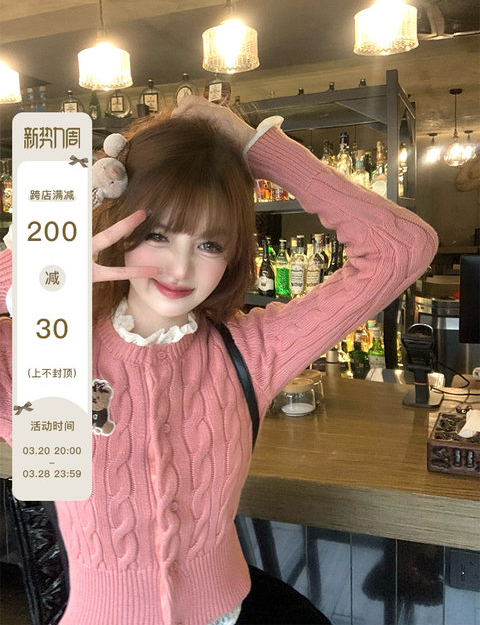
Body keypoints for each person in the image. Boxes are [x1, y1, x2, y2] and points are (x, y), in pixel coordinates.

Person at [0, 96, 438, 625]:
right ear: (118, 229)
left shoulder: (251, 350)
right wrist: (42, 251)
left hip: (225, 615)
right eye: (157, 235)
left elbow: (403, 247)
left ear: (232, 254)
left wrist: (256, 146)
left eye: (209, 244)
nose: (179, 267)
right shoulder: (46, 349)